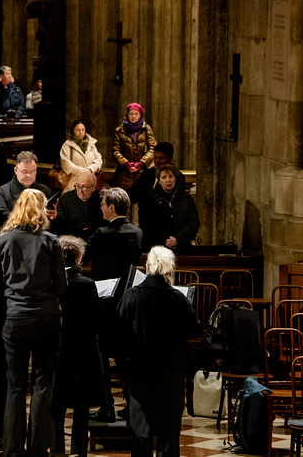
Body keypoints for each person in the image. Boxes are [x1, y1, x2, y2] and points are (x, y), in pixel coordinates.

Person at [0, 188, 67, 457]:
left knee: (15, 385)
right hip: (46, 316)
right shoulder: (50, 241)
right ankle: (38, 448)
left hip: (16, 316)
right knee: (43, 383)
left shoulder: (3, 240)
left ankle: (12, 448)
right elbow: (61, 285)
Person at [117, 246, 200, 457]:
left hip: (139, 369)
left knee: (141, 428)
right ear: (170, 269)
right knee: (169, 429)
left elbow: (118, 334)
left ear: (147, 267)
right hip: (170, 370)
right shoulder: (177, 298)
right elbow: (193, 330)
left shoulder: (131, 296)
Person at [84, 186, 143, 423]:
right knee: (125, 357)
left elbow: (81, 256)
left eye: (102, 204)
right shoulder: (137, 233)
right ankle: (131, 406)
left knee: (101, 356)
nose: (100, 208)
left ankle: (107, 406)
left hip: (104, 303)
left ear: (111, 207)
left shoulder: (102, 233)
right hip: (127, 302)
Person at [52, 235, 104, 457]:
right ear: (79, 258)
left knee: (57, 404)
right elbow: (97, 319)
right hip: (83, 349)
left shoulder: (52, 282)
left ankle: (56, 448)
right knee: (81, 406)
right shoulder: (87, 284)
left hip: (58, 348)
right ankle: (78, 450)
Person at [138, 165, 200, 252]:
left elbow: (193, 223)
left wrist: (177, 240)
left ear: (175, 178)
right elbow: (146, 227)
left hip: (182, 247)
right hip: (158, 249)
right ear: (159, 181)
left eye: (171, 176)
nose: (168, 180)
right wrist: (167, 243)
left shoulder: (186, 199)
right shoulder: (149, 200)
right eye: (164, 177)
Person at [0, 151, 54, 225]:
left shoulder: (45, 191)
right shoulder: (2, 193)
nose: (28, 175)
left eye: (32, 171)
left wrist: (54, 217)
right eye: (25, 172)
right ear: (16, 170)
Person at [112, 103, 157, 192]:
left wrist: (142, 163)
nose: (133, 116)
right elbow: (115, 150)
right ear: (127, 114)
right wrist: (126, 163)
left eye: (136, 114)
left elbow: (153, 148)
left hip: (142, 172)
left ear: (140, 115)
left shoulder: (146, 129)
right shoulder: (120, 130)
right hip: (124, 174)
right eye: (131, 114)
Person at [51, 169, 106, 240]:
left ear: (93, 188)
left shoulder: (100, 201)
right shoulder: (66, 198)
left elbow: (104, 224)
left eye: (84, 187)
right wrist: (55, 218)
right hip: (70, 240)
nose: (80, 190)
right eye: (78, 186)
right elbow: (60, 225)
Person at [58, 119, 103, 191]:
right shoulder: (68, 145)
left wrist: (90, 169)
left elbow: (98, 159)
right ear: (73, 131)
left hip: (90, 184)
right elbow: (65, 163)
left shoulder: (91, 143)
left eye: (83, 130)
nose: (81, 132)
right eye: (78, 130)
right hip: (73, 184)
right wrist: (82, 171)